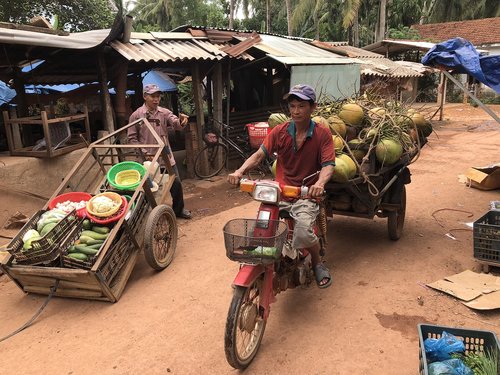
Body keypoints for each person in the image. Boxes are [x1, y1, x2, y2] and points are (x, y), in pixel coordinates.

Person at [228, 84, 335, 288]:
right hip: (280, 193)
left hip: (305, 195)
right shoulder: (280, 131)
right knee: (260, 230)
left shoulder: (322, 134)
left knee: (303, 231)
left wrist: (320, 184)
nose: (295, 111)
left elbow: (328, 165)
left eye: (301, 106)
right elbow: (259, 155)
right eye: (292, 106)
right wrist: (239, 171)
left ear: (313, 108)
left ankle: (317, 264)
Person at [128, 84, 192, 219]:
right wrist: (145, 153)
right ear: (145, 96)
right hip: (148, 160)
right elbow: (132, 139)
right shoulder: (136, 115)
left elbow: (175, 123)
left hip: (166, 156)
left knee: (176, 184)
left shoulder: (164, 112)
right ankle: (149, 216)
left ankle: (179, 210)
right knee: (150, 188)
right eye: (153, 96)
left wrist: (182, 121)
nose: (156, 99)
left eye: (158, 96)